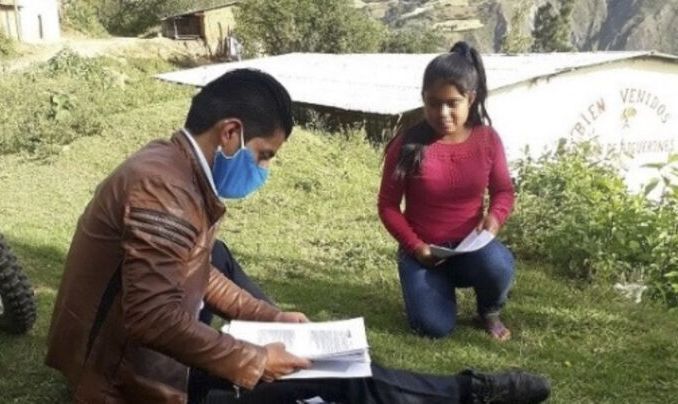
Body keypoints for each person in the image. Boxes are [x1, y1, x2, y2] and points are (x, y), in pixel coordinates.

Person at [46, 68, 549, 403]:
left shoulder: (172, 169)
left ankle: (462, 391)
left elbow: (197, 269)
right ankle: (469, 393)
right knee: (336, 379)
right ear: (230, 133)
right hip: (131, 385)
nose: (263, 169)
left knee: (317, 363)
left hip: (137, 363)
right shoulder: (165, 189)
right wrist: (254, 358)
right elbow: (152, 316)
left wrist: (269, 317)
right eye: (264, 155)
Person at [378, 41, 516, 341]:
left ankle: (489, 310)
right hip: (422, 253)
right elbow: (387, 205)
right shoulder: (407, 145)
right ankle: (434, 291)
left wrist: (495, 217)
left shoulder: (488, 140)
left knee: (499, 265)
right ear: (423, 99)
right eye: (433, 103)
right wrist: (416, 247)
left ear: (471, 99)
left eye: (452, 103)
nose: (443, 113)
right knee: (433, 328)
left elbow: (504, 190)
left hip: (471, 250)